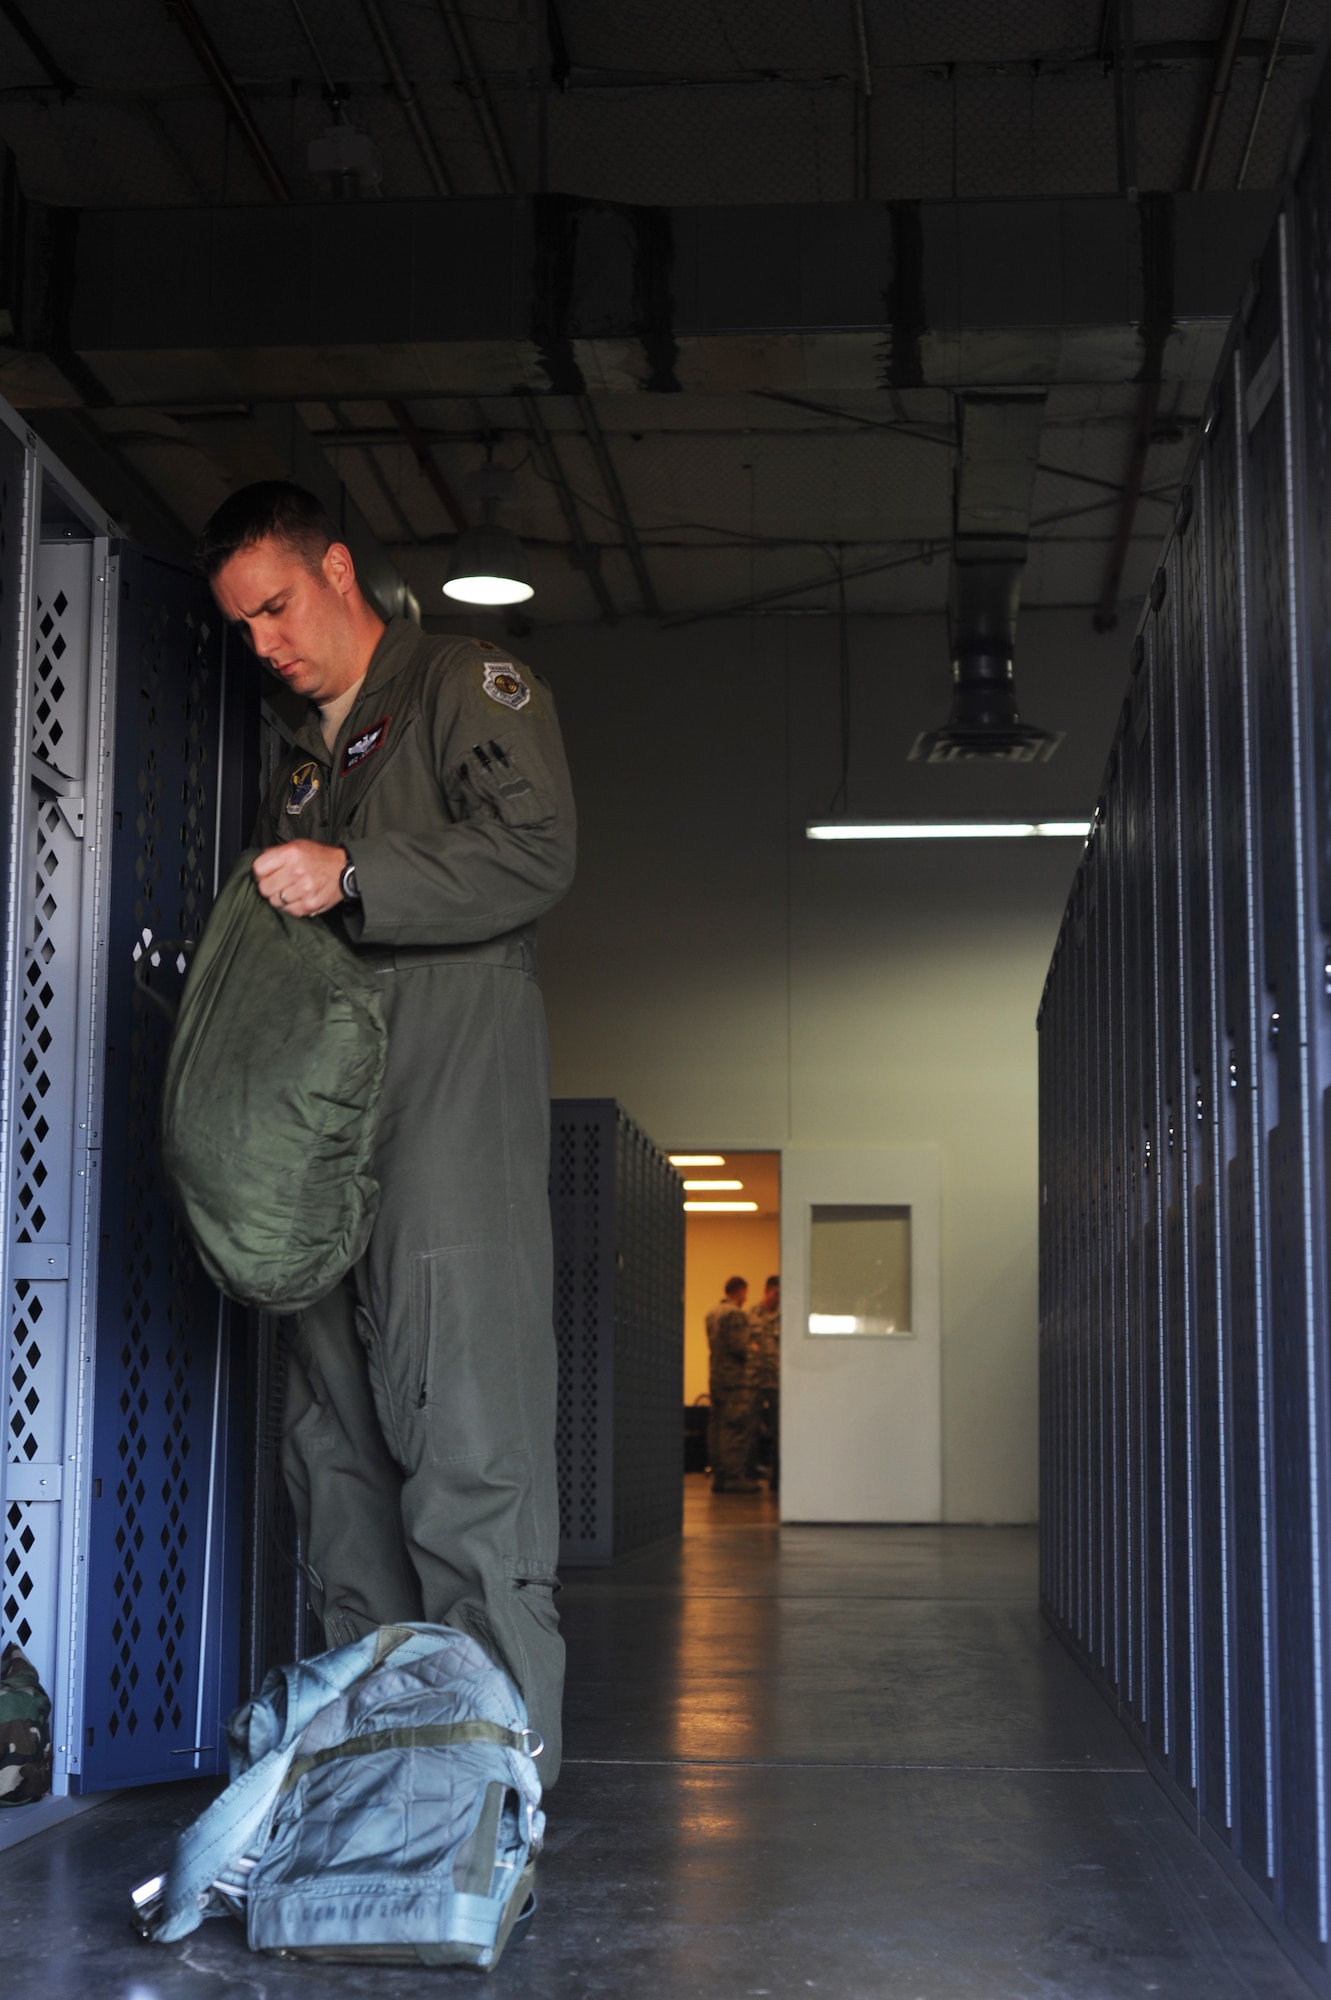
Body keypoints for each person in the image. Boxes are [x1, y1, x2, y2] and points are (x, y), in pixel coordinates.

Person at [199, 481, 576, 1783]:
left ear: (339, 570)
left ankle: (489, 1781)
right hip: (328, 1142)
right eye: (241, 625)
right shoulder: (308, 758)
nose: (263, 642)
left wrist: (355, 875)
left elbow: (536, 850)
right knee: (335, 1450)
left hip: (445, 1119)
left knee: (465, 1439)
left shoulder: (464, 685)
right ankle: (370, 1769)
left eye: (276, 607)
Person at [705, 1276, 757, 1492]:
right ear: (740, 1291)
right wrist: (752, 1347)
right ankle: (733, 1476)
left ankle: (719, 1473)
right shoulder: (735, 1314)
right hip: (733, 1379)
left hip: (716, 1376)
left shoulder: (712, 1313)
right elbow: (738, 1346)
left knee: (717, 1426)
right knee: (735, 1427)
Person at [747, 1274, 781, 1490]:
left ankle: (776, 1477)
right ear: (767, 1291)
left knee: (779, 1430)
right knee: (751, 1429)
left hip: (777, 1382)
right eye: (776, 1293)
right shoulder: (750, 1315)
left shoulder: (784, 1316)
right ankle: (750, 1475)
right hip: (755, 1381)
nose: (778, 1298)